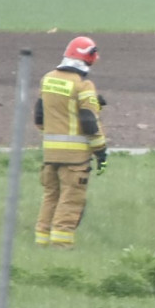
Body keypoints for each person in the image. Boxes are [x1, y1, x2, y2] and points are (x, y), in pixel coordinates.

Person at [33, 36, 108, 249]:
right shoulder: (83, 85)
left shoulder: (48, 79)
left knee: (50, 198)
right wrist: (101, 152)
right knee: (70, 201)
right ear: (88, 58)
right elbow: (88, 122)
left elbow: (40, 118)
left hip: (50, 156)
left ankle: (41, 243)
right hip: (75, 160)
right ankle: (61, 246)